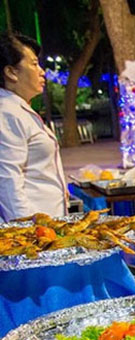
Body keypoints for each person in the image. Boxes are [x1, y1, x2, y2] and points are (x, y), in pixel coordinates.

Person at [0, 32, 67, 222]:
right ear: (11, 72)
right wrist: (28, 229)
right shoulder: (7, 113)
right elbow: (8, 180)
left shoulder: (20, 109)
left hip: (48, 223)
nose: (42, 71)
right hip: (34, 227)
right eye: (34, 64)